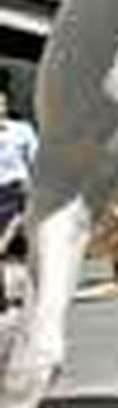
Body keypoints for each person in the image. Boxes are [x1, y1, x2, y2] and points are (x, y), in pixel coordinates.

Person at [0, 89, 38, 310]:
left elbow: (36, 161)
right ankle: (2, 297)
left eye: (2, 104)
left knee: (12, 244)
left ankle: (36, 291)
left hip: (18, 193)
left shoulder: (22, 131)